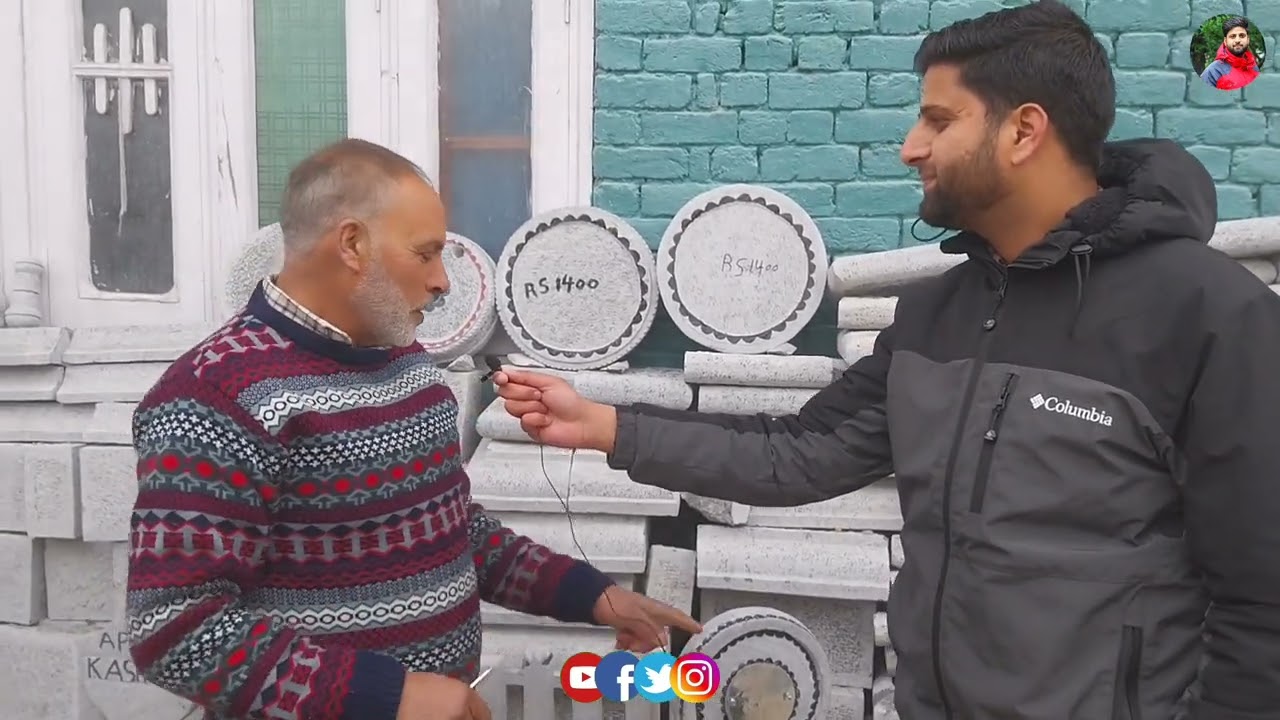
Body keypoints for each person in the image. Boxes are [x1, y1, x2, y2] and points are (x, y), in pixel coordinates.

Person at [496, 1, 1280, 718]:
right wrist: (606, 425)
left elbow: (1263, 599)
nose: (912, 148)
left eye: (938, 120)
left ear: (1024, 130)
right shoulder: (942, 313)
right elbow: (800, 455)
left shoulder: (1206, 315)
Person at [124, 138, 700, 720]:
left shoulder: (410, 368)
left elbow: (453, 535)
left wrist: (594, 596)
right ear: (352, 244)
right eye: (425, 254)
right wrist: (386, 696)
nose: (443, 282)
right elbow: (174, 629)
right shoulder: (218, 394)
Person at [1200, 16, 1260, 90]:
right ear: (1225, 41)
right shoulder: (1213, 72)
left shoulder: (1254, 67)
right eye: (1233, 36)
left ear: (1248, 40)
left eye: (1242, 36)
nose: (1237, 40)